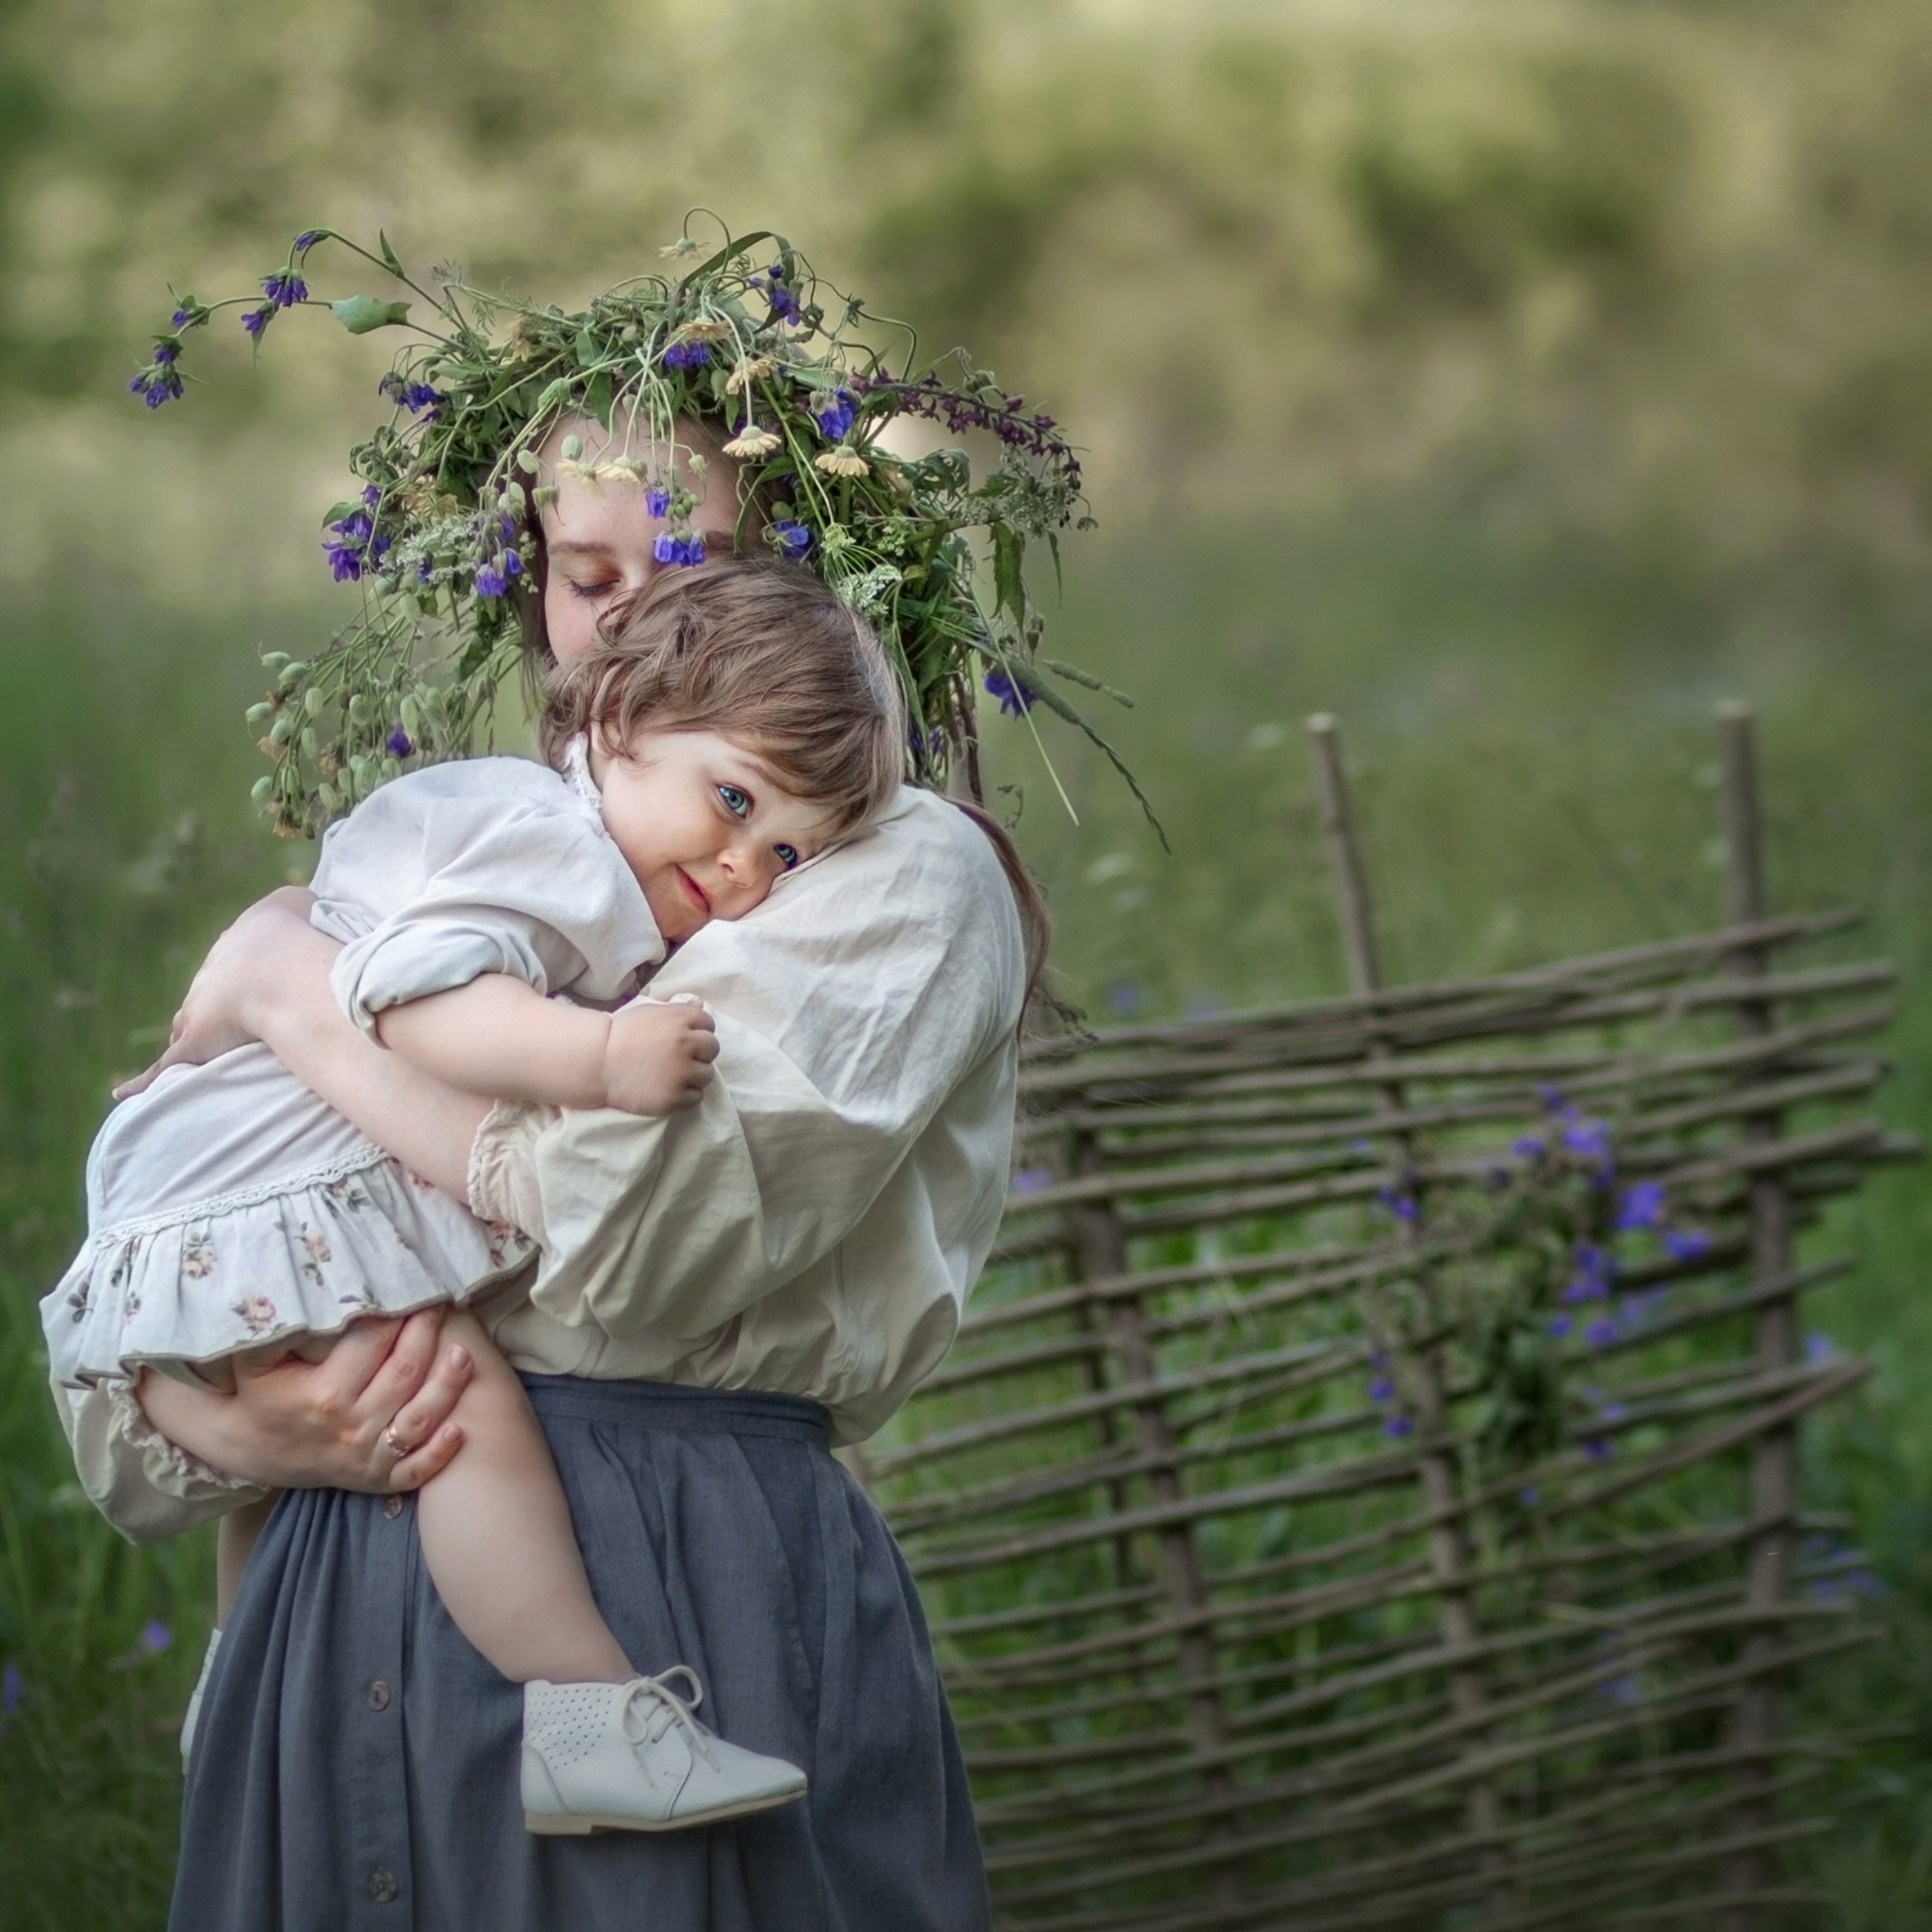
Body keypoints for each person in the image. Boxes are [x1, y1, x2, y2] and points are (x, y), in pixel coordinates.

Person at [59, 226, 1076, 1929]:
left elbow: (619, 1231)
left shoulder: (896, 871)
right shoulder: (497, 855)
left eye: (690, 553)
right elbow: (151, 1283)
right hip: (334, 1615)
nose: (631, 610)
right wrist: (220, 1411)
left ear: (799, 581)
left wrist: (301, 1010)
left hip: (674, 1579)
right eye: (584, 568)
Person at [46, 557, 906, 1833]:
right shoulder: (549, 842)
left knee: (305, 1465)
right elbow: (415, 1001)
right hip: (274, 1174)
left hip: (219, 1186)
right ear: (616, 727)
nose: (741, 867)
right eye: (729, 800)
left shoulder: (573, 843)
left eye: (784, 851)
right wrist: (600, 1057)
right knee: (456, 1402)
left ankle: (234, 1673)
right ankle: (585, 1711)